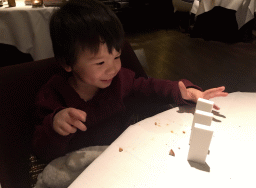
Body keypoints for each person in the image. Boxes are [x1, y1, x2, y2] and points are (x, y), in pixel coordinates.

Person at [32, 0, 228, 162]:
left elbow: (150, 87)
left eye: (117, 57)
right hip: (80, 167)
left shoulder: (120, 80)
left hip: (123, 156)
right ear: (68, 63)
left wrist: (183, 91)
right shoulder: (53, 95)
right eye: (100, 62)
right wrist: (55, 127)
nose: (112, 68)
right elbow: (41, 152)